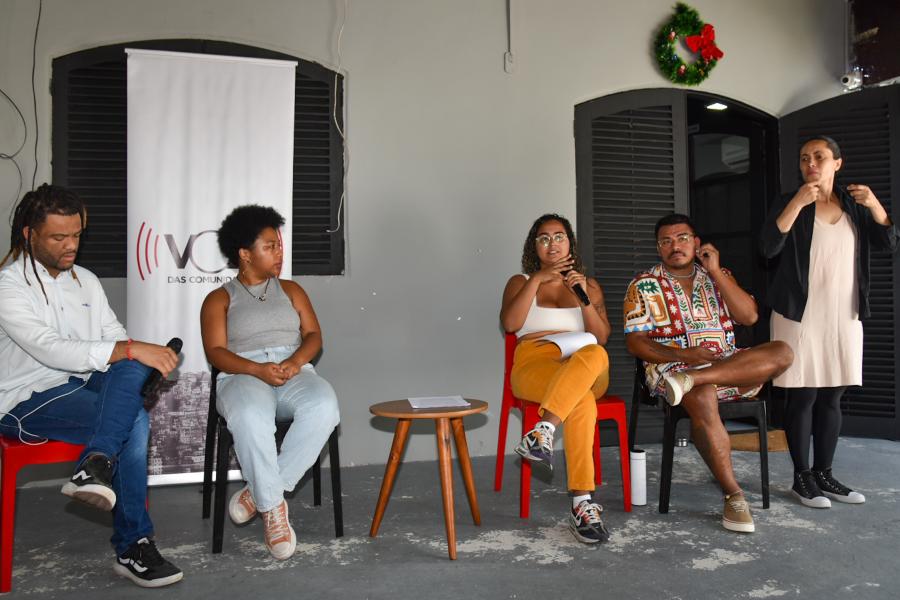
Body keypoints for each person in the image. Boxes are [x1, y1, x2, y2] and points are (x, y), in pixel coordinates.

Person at [0, 185, 183, 588]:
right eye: (58, 237)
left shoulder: (85, 280)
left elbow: (113, 337)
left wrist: (135, 354)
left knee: (133, 366)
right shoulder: (8, 285)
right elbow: (50, 351)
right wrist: (131, 349)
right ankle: (134, 544)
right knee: (134, 418)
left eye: (77, 235)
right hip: (26, 397)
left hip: (84, 385)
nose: (71, 246)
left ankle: (95, 464)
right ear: (29, 235)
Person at [624, 213, 793, 533]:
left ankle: (696, 378)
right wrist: (684, 356)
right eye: (666, 241)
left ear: (697, 242)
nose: (675, 246)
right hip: (671, 370)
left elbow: (749, 316)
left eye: (683, 238)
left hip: (727, 369)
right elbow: (635, 342)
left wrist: (715, 271)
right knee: (700, 394)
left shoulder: (718, 275)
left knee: (782, 351)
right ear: (659, 248)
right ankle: (734, 495)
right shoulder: (643, 285)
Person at [761, 136, 899, 508]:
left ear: (837, 163)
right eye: (805, 158)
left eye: (819, 157)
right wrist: (796, 202)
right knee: (803, 394)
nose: (811, 164)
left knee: (833, 395)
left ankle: (825, 473)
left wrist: (874, 205)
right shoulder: (792, 201)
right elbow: (768, 247)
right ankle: (801, 477)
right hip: (799, 315)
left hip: (844, 314)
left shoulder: (854, 206)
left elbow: (889, 243)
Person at [200, 204, 340, 560]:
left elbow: (313, 335)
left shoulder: (292, 290)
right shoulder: (219, 299)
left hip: (292, 371)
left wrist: (294, 362)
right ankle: (274, 510)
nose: (279, 252)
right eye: (269, 246)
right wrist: (257, 369)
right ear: (244, 254)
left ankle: (259, 492)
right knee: (249, 416)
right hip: (243, 375)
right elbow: (216, 352)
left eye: (278, 244)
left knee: (325, 407)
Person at [500, 213, 613, 544]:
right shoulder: (520, 281)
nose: (552, 243)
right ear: (534, 246)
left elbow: (601, 336)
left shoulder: (588, 285)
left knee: (595, 354)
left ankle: (543, 430)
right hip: (536, 363)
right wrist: (537, 280)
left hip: (585, 362)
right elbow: (510, 324)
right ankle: (581, 504)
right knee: (581, 401)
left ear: (570, 243)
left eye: (559, 236)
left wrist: (583, 297)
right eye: (544, 238)